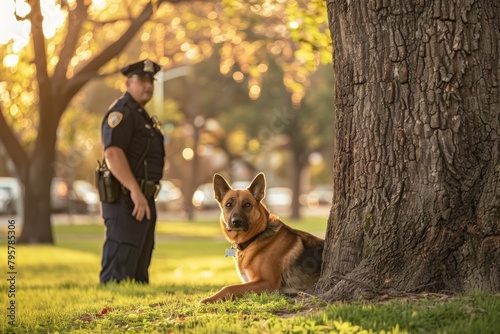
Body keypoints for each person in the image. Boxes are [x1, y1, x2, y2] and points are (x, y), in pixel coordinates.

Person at [99, 59, 165, 284]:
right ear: (128, 83)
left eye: (151, 80)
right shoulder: (122, 113)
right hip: (125, 199)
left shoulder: (141, 115)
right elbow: (113, 154)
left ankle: (133, 312)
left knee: (137, 273)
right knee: (118, 272)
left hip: (142, 198)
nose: (148, 85)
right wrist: (135, 190)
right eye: (142, 80)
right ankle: (109, 316)